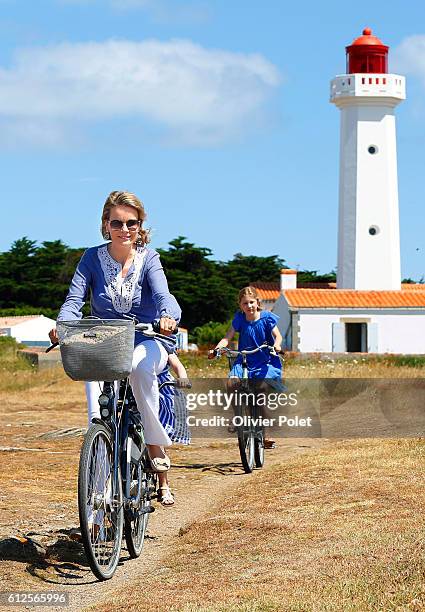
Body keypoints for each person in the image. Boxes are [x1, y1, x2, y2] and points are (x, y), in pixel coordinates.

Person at [49, 190, 181, 501]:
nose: (124, 230)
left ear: (140, 226)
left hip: (148, 337)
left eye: (131, 223)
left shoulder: (150, 259)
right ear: (105, 225)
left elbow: (164, 296)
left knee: (138, 368)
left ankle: (154, 447)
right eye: (117, 223)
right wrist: (62, 325)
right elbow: (73, 301)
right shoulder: (91, 258)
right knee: (96, 410)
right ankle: (97, 496)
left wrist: (167, 317)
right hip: (105, 341)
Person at [210, 286, 283, 448]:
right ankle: (237, 418)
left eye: (251, 302)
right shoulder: (240, 319)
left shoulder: (267, 318)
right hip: (244, 360)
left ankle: (266, 433)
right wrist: (218, 348)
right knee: (231, 383)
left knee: (260, 390)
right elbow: (227, 337)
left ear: (258, 302)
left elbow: (278, 336)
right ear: (240, 305)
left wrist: (276, 346)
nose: (249, 306)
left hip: (264, 360)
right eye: (245, 303)